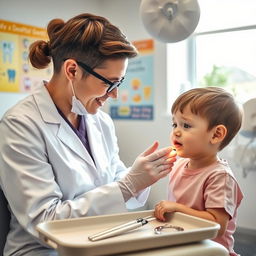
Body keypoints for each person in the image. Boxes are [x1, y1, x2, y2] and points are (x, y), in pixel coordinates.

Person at [0, 13, 177, 256]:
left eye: (120, 82)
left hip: (99, 239)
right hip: (43, 250)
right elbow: (44, 220)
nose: (114, 94)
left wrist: (140, 177)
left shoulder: (100, 120)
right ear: (72, 70)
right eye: (110, 83)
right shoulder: (20, 124)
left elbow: (114, 177)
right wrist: (127, 186)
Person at [154, 87, 243, 256]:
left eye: (186, 125)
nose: (176, 131)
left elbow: (217, 225)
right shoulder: (179, 165)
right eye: (174, 124)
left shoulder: (220, 176)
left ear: (216, 134)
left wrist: (177, 208)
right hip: (185, 246)